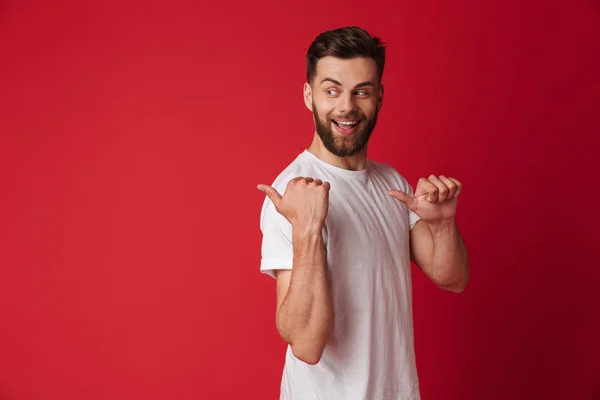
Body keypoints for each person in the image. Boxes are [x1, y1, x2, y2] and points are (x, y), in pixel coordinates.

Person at [256, 26, 469, 400]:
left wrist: (443, 225)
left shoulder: (392, 182)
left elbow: (452, 278)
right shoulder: (292, 194)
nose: (347, 107)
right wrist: (307, 229)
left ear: (379, 97)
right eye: (332, 90)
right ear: (309, 95)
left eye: (361, 92)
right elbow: (306, 345)